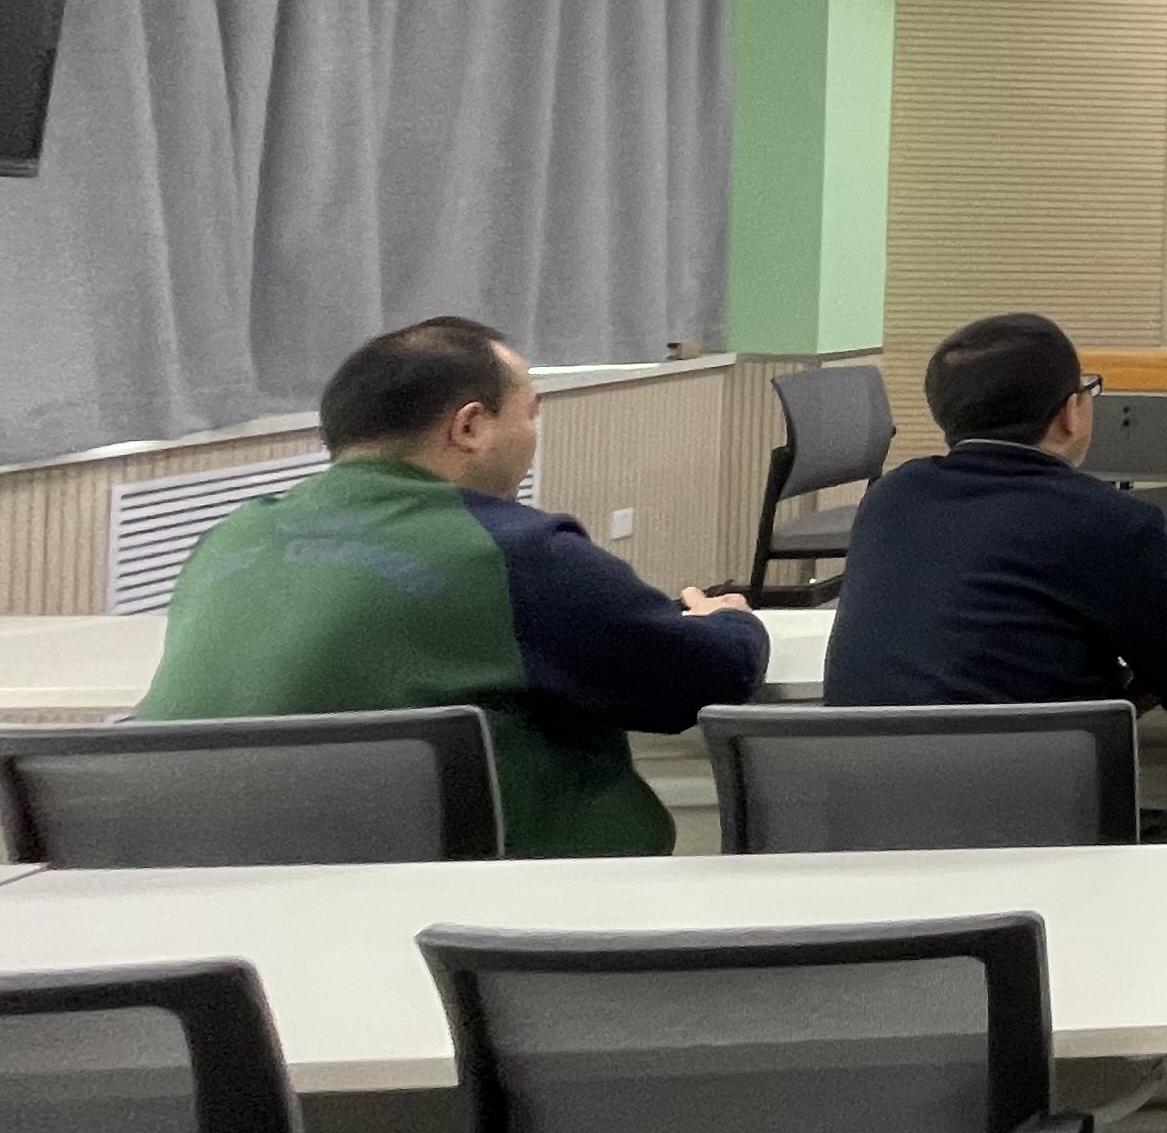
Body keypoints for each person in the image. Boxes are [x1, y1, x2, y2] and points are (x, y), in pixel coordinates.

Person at [134, 317, 764, 856]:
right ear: (470, 427)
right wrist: (730, 619)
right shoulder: (513, 551)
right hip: (483, 909)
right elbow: (704, 679)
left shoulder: (233, 535)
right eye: (528, 415)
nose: (531, 437)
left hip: (204, 892)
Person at [826, 311, 1167, 723]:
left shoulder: (890, 497)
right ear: (1070, 413)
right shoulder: (1111, 523)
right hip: (1026, 777)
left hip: (866, 775)